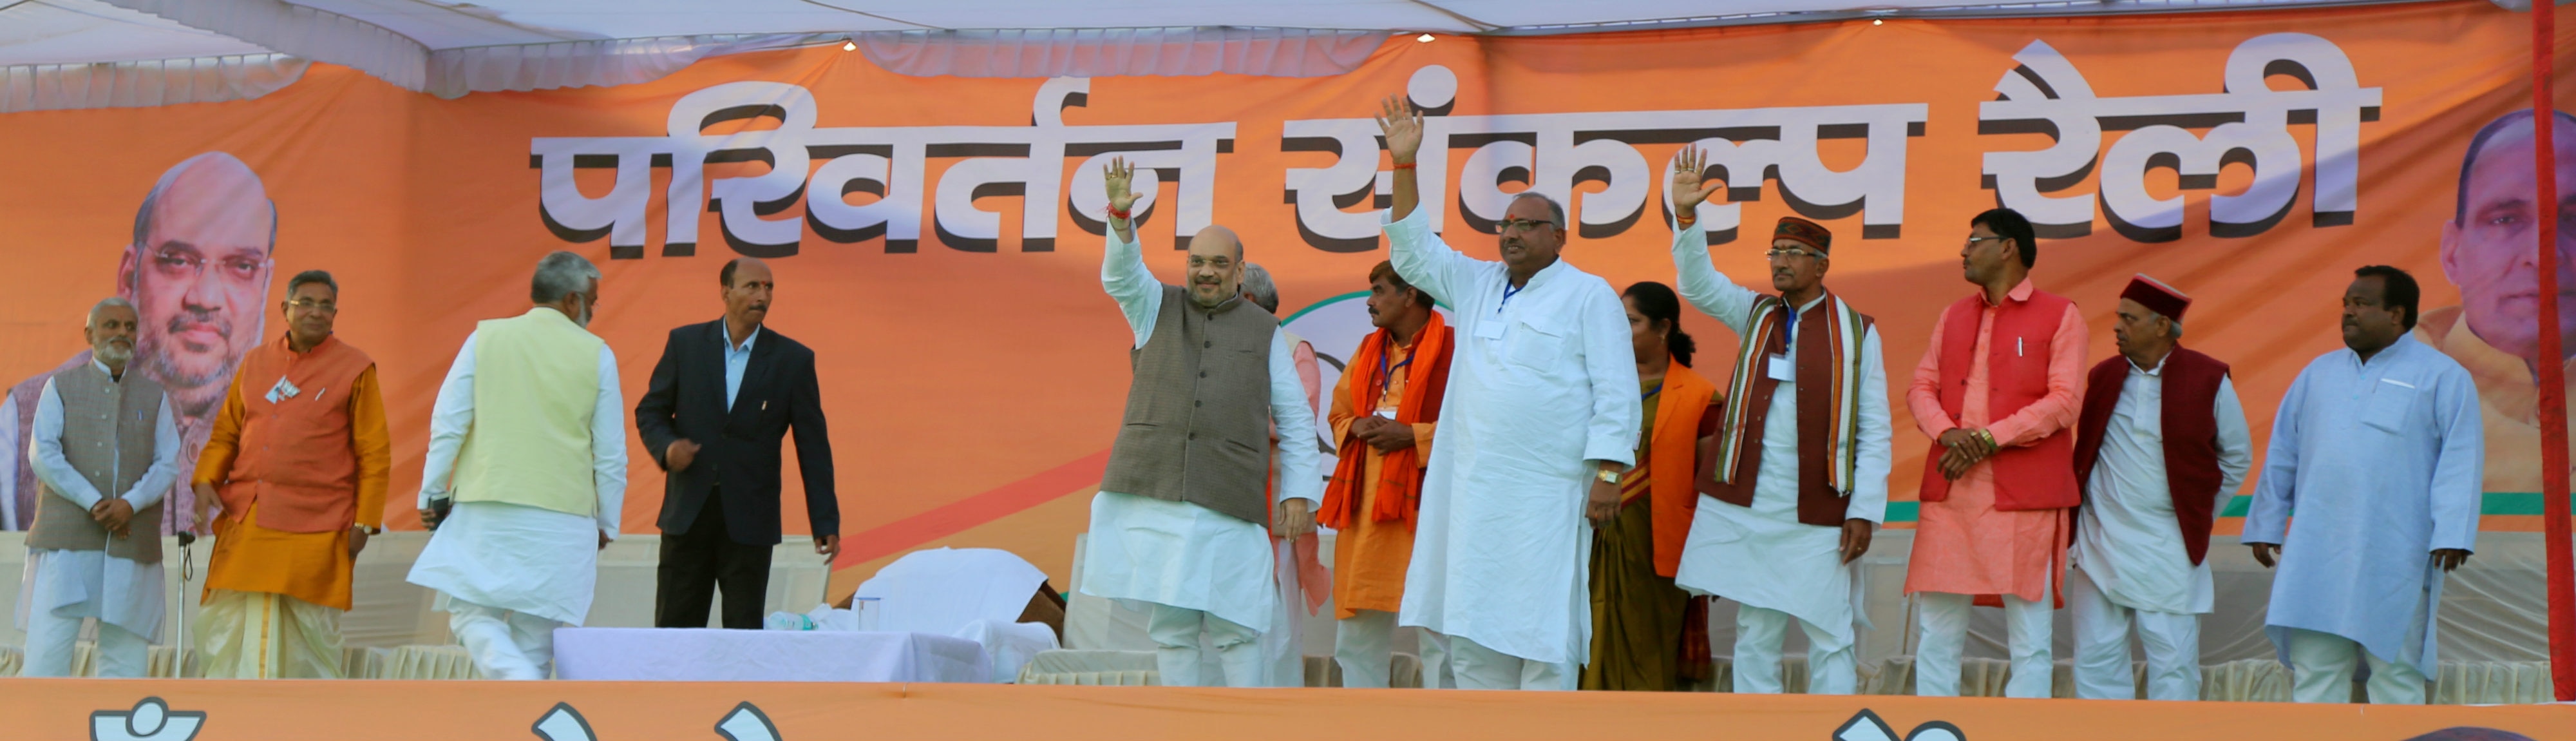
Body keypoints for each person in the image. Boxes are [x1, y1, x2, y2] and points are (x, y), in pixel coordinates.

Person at [1376, 95, 1640, 690]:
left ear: (1559, 235)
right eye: (1506, 224)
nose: (1512, 233)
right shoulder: (1476, 282)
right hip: (1472, 492)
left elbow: (1617, 393)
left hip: (1547, 494)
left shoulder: (1588, 295)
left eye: (1527, 224)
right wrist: (1403, 166)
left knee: (1544, 630)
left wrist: (1609, 475)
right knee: (1472, 626)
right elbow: (1412, 250)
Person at [1079, 157, 1323, 688]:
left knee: (1237, 628)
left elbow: (1296, 418)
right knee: (1172, 629)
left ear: (1239, 270)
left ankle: (1245, 727)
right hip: (1157, 494)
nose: (1205, 272)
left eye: (1218, 263)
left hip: (1228, 503)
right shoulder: (1154, 307)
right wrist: (1121, 220)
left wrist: (1301, 493)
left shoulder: (1265, 330)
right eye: (1196, 262)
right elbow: (1121, 276)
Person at [1666, 152, 1894, 696]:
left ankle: (1833, 729)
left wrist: (1864, 511)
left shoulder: (1858, 333)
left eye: (1796, 253)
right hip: (1749, 502)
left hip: (1816, 507)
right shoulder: (1756, 313)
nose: (1782, 262)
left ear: (1822, 265)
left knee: (1828, 630)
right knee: (1756, 626)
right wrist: (1688, 220)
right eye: (1776, 252)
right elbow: (1697, 286)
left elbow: (1875, 428)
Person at [5, 152, 276, 534]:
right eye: (178, 260)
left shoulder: (288, 415)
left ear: (265, 289)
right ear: (129, 275)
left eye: (242, 267)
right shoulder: (28, 412)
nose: (206, 297)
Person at [2246, 265, 2481, 705]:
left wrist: (2452, 533)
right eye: (2346, 304)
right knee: (2317, 672)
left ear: (2396, 314)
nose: (2348, 313)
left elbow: (2461, 458)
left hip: (2396, 551)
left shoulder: (2441, 376)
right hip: (2317, 549)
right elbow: (2283, 453)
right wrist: (2266, 523)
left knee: (2396, 675)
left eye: (2362, 304)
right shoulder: (2318, 373)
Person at [406, 251, 626, 680]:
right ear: (570, 300)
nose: (593, 312)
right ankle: (527, 700)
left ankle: (514, 680)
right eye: (592, 301)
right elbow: (611, 453)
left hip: (488, 507)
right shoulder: (597, 355)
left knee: (471, 616)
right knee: (537, 643)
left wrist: (431, 491)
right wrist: (607, 521)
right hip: (562, 518)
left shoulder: (485, 340)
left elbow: (449, 424)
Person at [1904, 207, 2086, 698]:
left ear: (2008, 247)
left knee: (2030, 640)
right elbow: (1922, 385)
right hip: (1952, 487)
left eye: (1974, 240)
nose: (1964, 250)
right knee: (1937, 632)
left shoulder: (2061, 314)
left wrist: (1986, 438)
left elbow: (2065, 402)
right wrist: (1948, 433)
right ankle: (1933, 729)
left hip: (2023, 496)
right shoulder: (1953, 314)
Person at [188, 270, 391, 678]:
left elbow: (374, 452)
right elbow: (228, 431)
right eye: (306, 303)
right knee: (226, 622)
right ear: (286, 309)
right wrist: (206, 481)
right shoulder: (257, 362)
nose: (317, 312)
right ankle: (236, 717)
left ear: (335, 313)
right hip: (250, 517)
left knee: (309, 629)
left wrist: (365, 522)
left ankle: (300, 721)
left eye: (326, 305)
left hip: (317, 520)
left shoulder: (354, 368)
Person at [2066, 274, 2253, 700]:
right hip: (2101, 540)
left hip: (2168, 545)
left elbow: (2236, 456)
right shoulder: (2104, 376)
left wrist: (2197, 513)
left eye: (2129, 319)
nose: (2117, 327)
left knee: (2173, 665)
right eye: (2118, 317)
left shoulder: (2208, 378)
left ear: (2162, 325)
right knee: (2096, 662)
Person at [634, 256, 840, 630]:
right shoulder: (686, 344)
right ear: (725, 292)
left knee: (744, 632)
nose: (763, 295)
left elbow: (812, 444)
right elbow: (651, 410)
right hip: (688, 514)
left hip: (749, 519)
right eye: (752, 286)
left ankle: (741, 693)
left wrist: (824, 519)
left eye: (769, 287)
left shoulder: (792, 359)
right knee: (675, 628)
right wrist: (666, 447)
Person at [19, 298, 181, 678]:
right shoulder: (60, 386)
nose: (122, 333)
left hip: (131, 538)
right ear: (90, 334)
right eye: (111, 325)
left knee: (125, 658)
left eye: (129, 327)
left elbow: (168, 463)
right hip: (68, 540)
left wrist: (130, 504)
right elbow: (43, 454)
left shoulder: (154, 395)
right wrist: (96, 503)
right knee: (48, 652)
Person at [2418, 109, 2576, 495]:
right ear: (2453, 255)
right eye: (2505, 219)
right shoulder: (2391, 390)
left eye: (2574, 219)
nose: (2542, 255)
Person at [1582, 281, 1724, 691]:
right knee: (1583, 639)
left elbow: (1709, 485)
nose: (1617, 333)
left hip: (1657, 548)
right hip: (1585, 535)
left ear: (1663, 329)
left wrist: (1711, 556)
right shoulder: (1589, 388)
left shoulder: (1700, 396)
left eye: (1630, 322)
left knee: (1648, 652)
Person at [1320, 261, 1455, 689]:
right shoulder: (1367, 350)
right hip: (1365, 513)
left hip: (1430, 512)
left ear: (1410, 294)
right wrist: (1357, 425)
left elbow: (1476, 423)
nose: (1370, 301)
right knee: (1358, 634)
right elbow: (1340, 412)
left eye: (1379, 291)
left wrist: (1412, 436)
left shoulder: (1456, 349)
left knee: (1441, 633)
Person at [1238, 261, 1329, 687]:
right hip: (1222, 503)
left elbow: (1296, 417)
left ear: (1248, 300)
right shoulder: (1211, 346)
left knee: (1276, 623)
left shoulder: (1294, 348)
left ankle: (1278, 720)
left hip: (1276, 507)